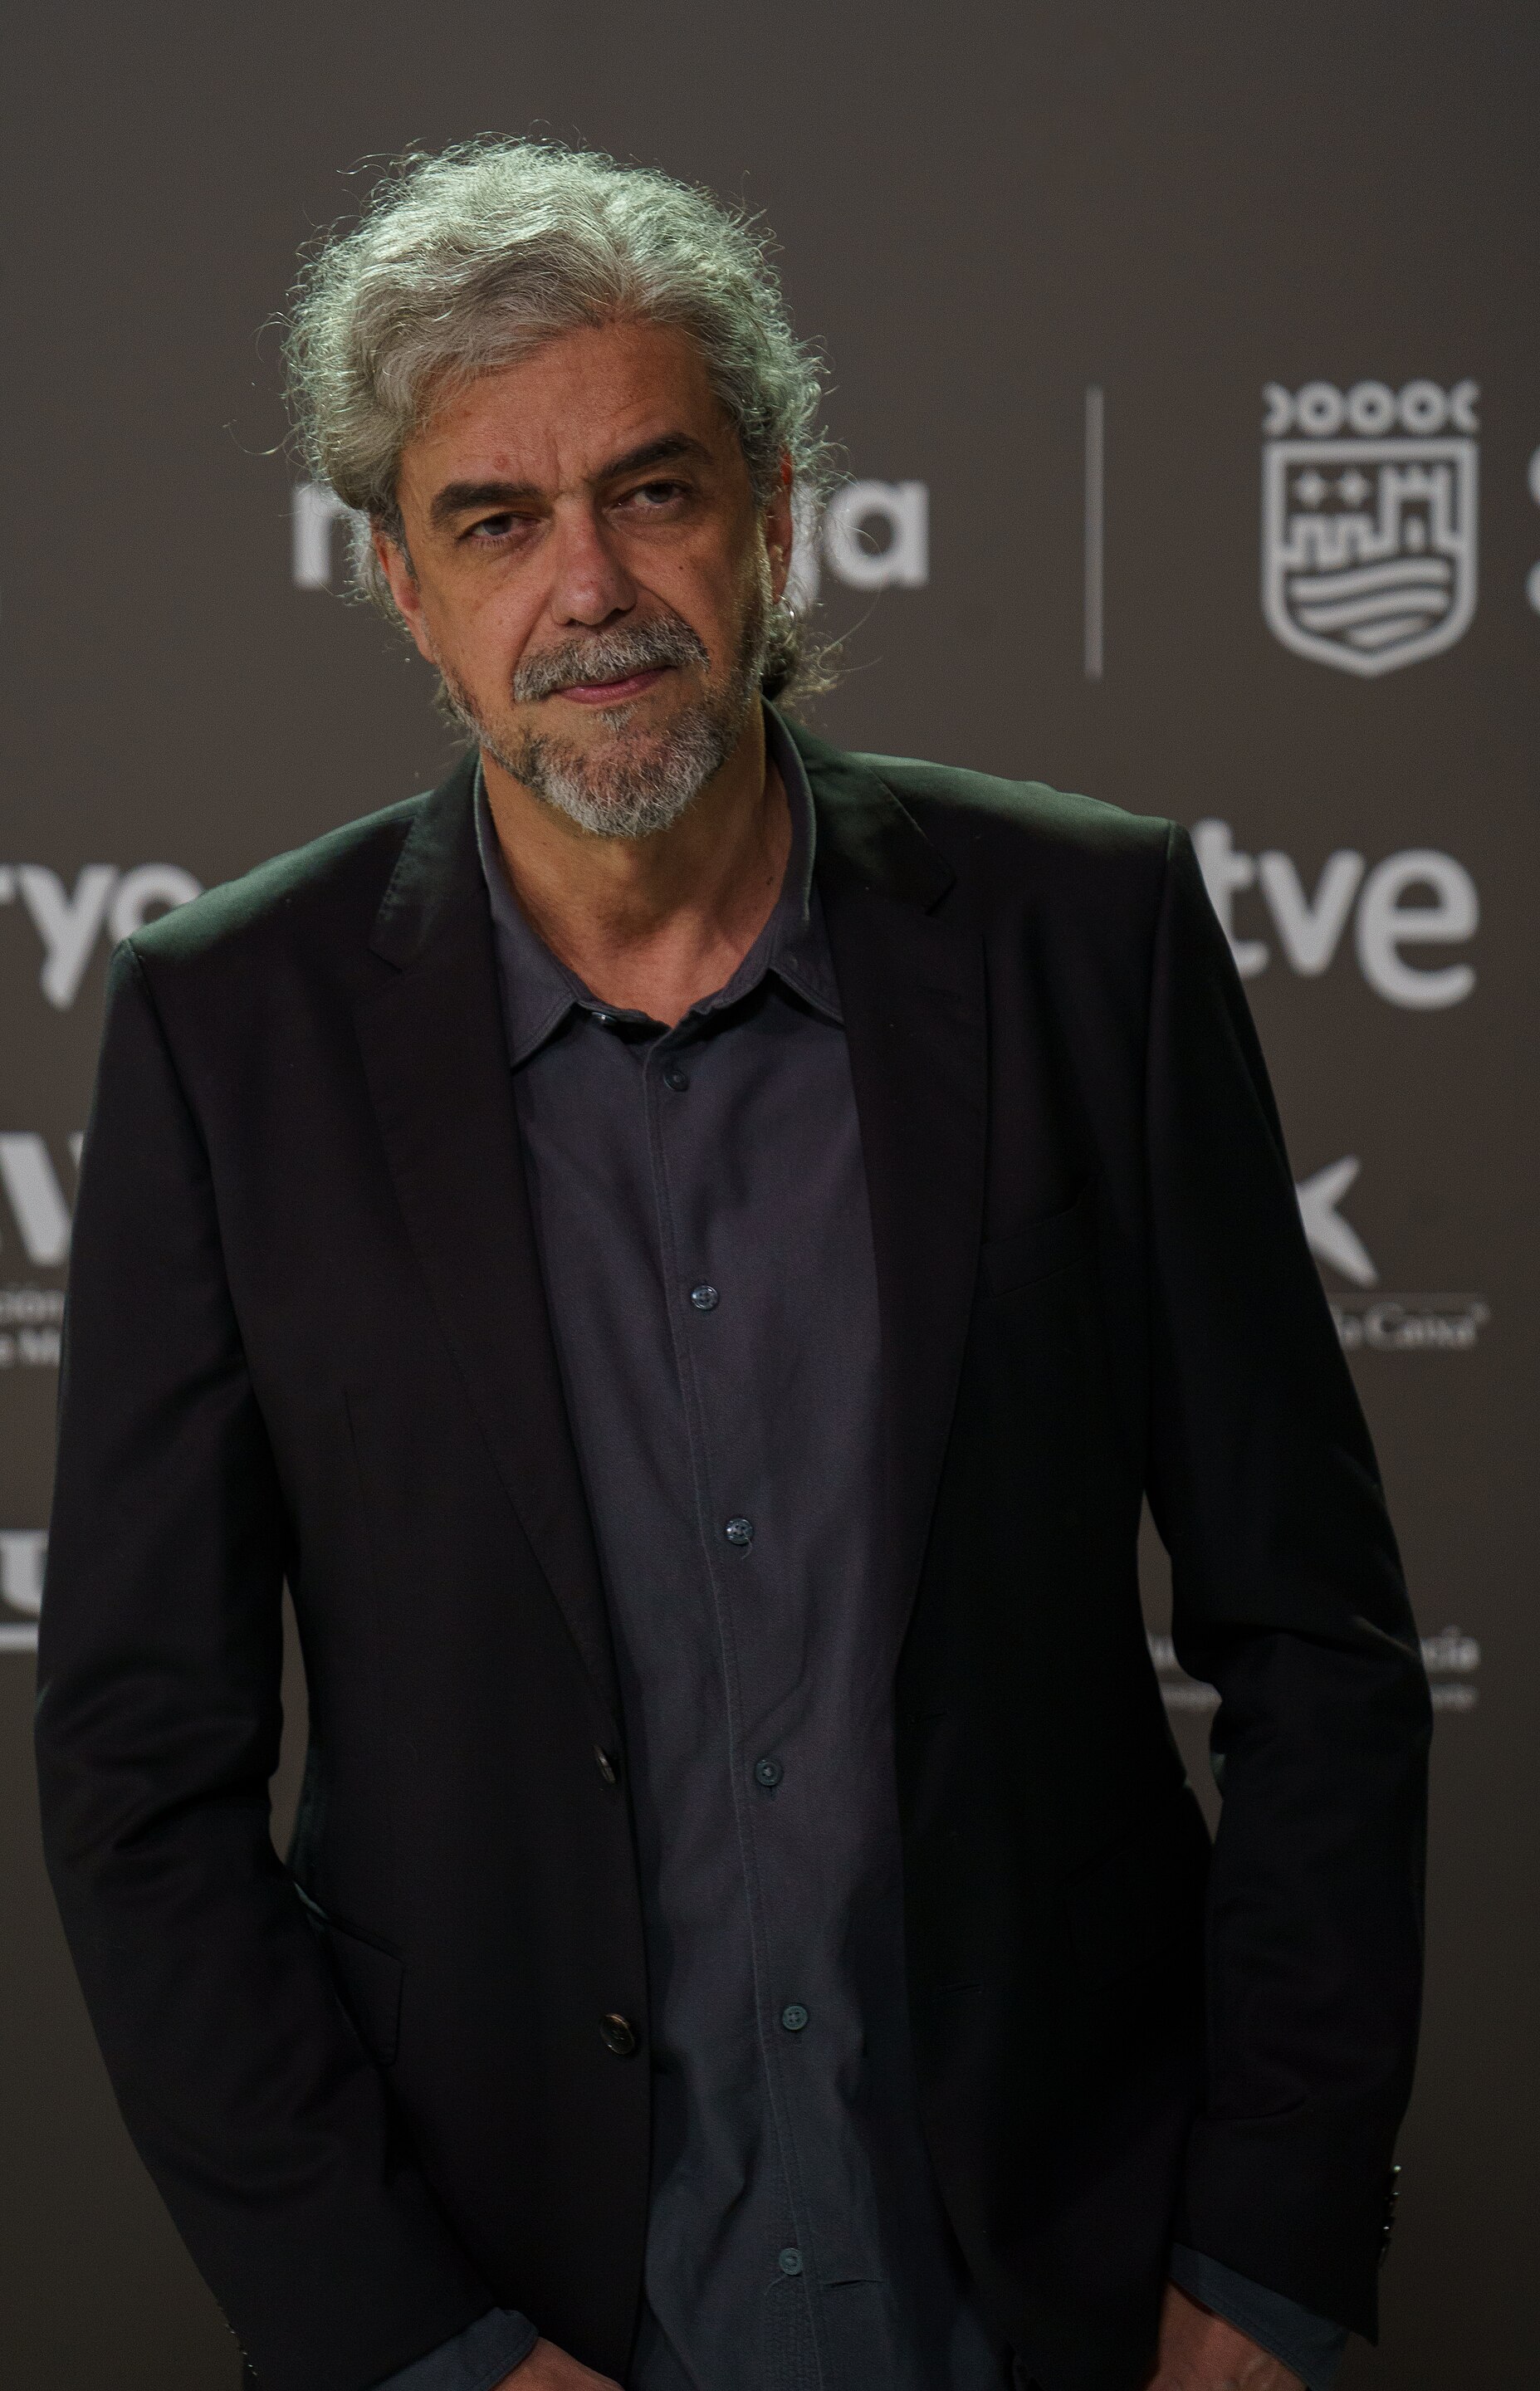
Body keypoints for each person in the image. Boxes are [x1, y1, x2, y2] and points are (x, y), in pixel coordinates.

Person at [36, 141, 1429, 2391]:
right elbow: (139, 1773)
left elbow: (1322, 1645)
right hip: (519, 2303)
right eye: (495, 521)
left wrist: (1264, 2262)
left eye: (654, 491)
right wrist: (410, 2344)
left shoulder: (1090, 945)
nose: (588, 587)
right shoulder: (230, 1033)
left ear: (777, 512)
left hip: (1065, 2293)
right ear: (402, 585)